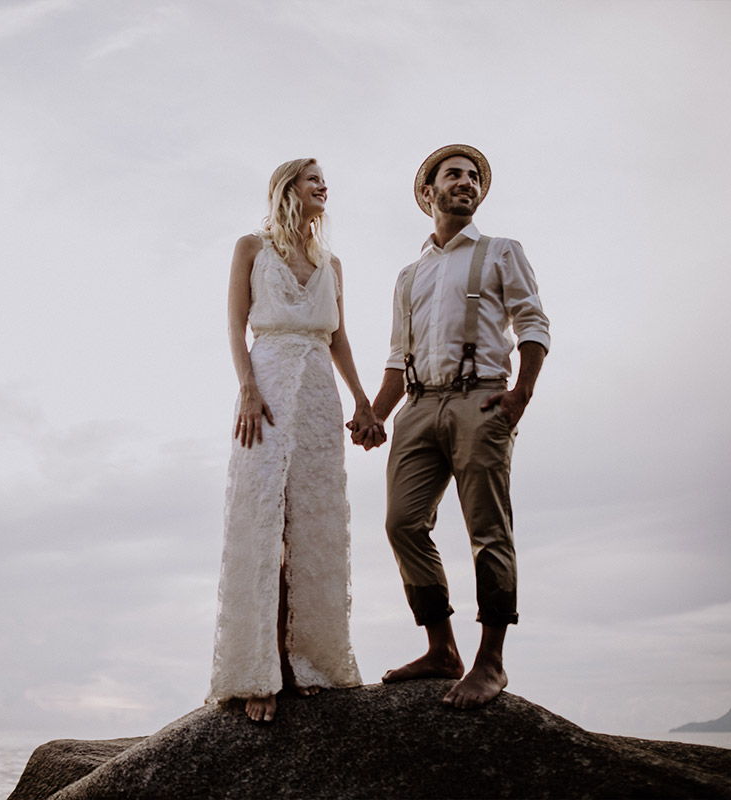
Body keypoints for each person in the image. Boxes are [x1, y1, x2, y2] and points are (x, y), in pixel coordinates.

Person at [353, 144, 550, 709]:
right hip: (417, 406)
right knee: (401, 524)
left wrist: (520, 397)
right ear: (428, 193)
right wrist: (376, 414)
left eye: (473, 178)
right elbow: (398, 355)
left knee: (488, 529)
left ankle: (491, 662)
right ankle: (443, 650)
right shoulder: (409, 274)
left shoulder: (499, 251)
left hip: (481, 400)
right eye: (454, 175)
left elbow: (534, 323)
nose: (466, 183)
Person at [208, 158, 377, 723]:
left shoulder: (333, 264)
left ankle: (307, 661)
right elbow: (235, 325)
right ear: (288, 187)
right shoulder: (250, 248)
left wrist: (363, 399)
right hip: (270, 384)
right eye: (313, 178)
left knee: (314, 523)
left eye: (326, 178)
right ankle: (261, 668)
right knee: (265, 521)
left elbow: (340, 338)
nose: (324, 185)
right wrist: (248, 390)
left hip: (319, 396)